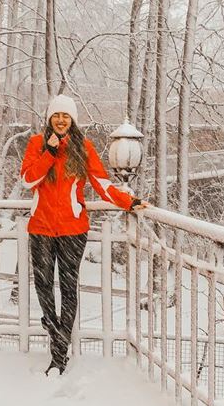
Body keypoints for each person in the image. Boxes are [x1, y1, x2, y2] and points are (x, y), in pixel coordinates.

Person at [20, 94, 148, 375]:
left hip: (72, 229)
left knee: (68, 289)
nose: (61, 120)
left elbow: (102, 184)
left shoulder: (83, 148)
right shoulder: (36, 145)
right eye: (57, 115)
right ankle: (58, 334)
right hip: (41, 228)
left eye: (66, 116)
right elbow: (28, 179)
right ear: (50, 118)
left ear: (73, 120)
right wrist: (49, 153)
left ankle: (59, 354)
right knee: (43, 288)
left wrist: (129, 201)